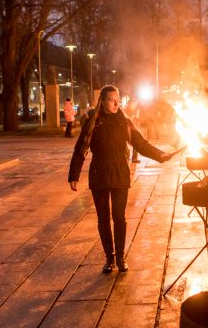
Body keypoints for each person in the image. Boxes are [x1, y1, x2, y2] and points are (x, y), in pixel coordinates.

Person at [69, 85, 174, 274]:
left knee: (119, 217)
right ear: (103, 101)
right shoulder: (93, 121)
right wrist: (74, 176)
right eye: (112, 99)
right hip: (99, 174)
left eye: (118, 99)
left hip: (119, 173)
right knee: (103, 219)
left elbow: (140, 144)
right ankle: (109, 258)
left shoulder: (123, 121)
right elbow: (80, 148)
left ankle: (120, 257)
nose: (117, 103)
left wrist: (160, 155)